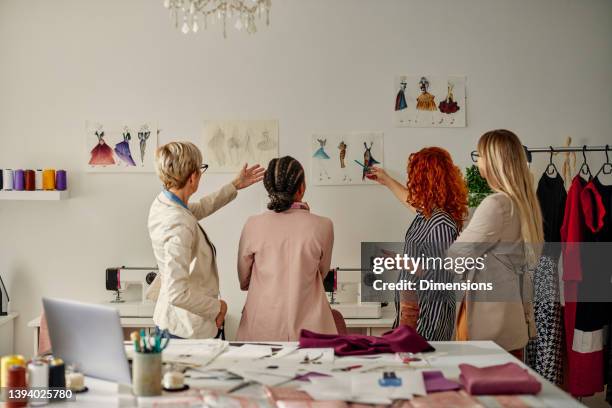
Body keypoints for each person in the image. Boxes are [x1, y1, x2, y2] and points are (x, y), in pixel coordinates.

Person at [146, 141, 264, 339]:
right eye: (201, 170)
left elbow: (199, 208)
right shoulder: (179, 224)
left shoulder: (164, 203)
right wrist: (218, 307)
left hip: (172, 321)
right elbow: (177, 293)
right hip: (185, 330)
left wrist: (235, 185)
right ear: (193, 177)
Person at [449, 129, 543, 358]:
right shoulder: (522, 202)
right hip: (510, 319)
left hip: (488, 323)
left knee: (483, 389)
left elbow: (454, 259)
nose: (477, 161)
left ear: (493, 161)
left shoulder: (497, 204)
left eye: (479, 155)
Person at [369, 147, 468, 341]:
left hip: (430, 316)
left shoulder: (441, 223)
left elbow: (439, 275)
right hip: (415, 313)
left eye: (415, 176)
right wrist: (387, 180)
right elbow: (410, 201)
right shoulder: (427, 215)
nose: (412, 182)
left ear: (426, 180)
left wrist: (401, 262)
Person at [236, 156, 337, 341]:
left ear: (269, 188)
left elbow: (244, 280)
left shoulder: (253, 224)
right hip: (312, 331)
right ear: (301, 188)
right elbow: (321, 274)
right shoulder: (323, 225)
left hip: (261, 327)